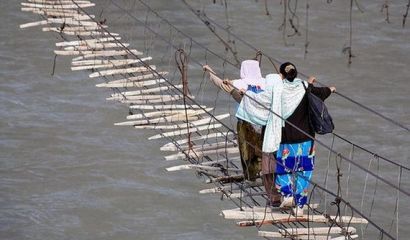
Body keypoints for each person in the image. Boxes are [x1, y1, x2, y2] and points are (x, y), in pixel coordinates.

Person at [203, 60, 282, 205]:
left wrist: (210, 71)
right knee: (265, 151)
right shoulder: (267, 83)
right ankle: (268, 177)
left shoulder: (238, 83)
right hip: (265, 122)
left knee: (247, 150)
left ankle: (251, 178)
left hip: (247, 120)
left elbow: (220, 83)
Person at [262, 62, 336, 215]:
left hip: (286, 137)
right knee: (304, 170)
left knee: (284, 167)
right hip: (306, 137)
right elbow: (321, 93)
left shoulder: (278, 89)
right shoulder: (304, 87)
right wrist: (330, 89)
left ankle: (288, 194)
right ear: (295, 74)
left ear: (281, 75)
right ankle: (300, 206)